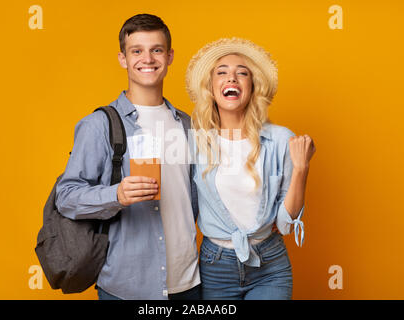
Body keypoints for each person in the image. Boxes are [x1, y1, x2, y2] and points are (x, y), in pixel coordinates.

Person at [55, 14, 201, 300]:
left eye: (156, 50)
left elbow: (202, 196)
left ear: (169, 56)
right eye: (137, 51)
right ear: (123, 58)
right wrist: (116, 195)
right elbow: (66, 196)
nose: (147, 59)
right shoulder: (99, 125)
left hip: (189, 283)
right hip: (128, 286)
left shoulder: (188, 124)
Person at [185, 38, 316, 300]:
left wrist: (301, 170)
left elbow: (286, 226)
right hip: (216, 266)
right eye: (221, 73)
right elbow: (186, 209)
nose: (231, 78)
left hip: (270, 265)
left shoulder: (280, 140)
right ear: (211, 88)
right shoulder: (195, 142)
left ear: (252, 86)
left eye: (241, 73)